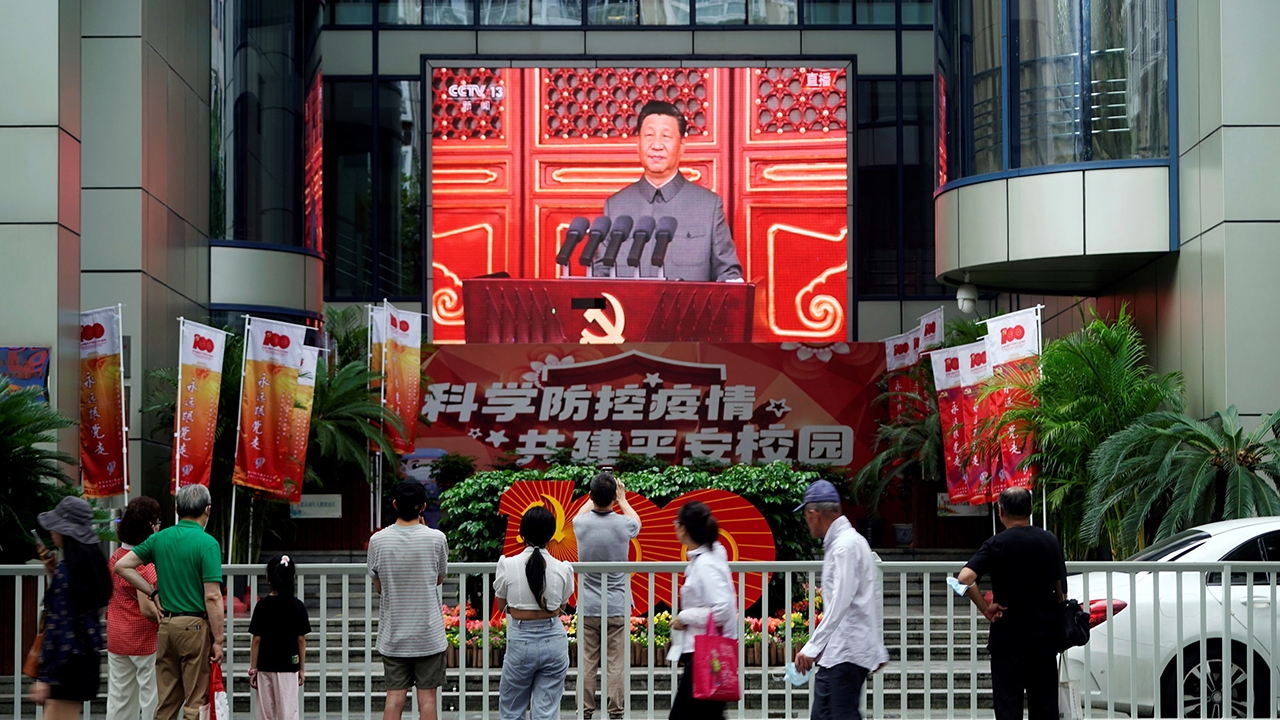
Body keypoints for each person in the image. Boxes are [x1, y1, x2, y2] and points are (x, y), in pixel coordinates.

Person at [594, 100, 743, 282]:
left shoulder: (708, 206)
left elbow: (728, 273)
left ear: (682, 146)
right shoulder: (616, 206)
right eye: (649, 135)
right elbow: (599, 275)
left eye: (666, 136)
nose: (657, 145)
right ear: (638, 143)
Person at [114, 483, 225, 720]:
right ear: (207, 509)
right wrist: (218, 639)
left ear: (176, 509)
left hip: (166, 627)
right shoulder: (207, 544)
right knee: (195, 700)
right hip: (195, 627)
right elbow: (212, 596)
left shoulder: (159, 539)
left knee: (167, 701)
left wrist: (153, 593)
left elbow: (122, 566)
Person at [956, 487, 1067, 720]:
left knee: (1008, 708)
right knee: (1045, 708)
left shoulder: (996, 544)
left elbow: (965, 578)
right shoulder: (1049, 540)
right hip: (1043, 638)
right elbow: (1060, 593)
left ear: (1001, 511)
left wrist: (985, 608)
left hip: (1007, 639)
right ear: (1031, 509)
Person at [793, 480, 888, 720]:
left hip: (845, 651)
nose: (807, 522)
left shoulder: (844, 546)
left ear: (813, 514)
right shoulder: (850, 542)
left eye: (806, 516)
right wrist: (877, 646)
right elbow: (871, 598)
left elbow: (840, 602)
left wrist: (812, 646)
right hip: (839, 652)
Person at [368, 481, 449, 720]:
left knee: (394, 699)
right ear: (423, 507)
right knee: (428, 700)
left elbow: (379, 587)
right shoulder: (437, 538)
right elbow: (438, 579)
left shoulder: (378, 540)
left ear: (395, 504)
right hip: (428, 635)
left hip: (394, 634)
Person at [29, 496, 112, 719]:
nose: (52, 532)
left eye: (55, 527)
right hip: (85, 661)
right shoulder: (90, 570)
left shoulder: (66, 573)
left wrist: (45, 676)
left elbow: (60, 626)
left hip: (64, 666)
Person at [495, 506, 576, 720]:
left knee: (512, 710)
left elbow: (502, 604)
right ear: (551, 534)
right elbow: (562, 606)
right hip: (554, 639)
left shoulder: (507, 564)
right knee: (546, 712)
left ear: (522, 533)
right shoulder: (563, 568)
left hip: (520, 639)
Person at [572, 472, 640, 720]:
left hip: (588, 605)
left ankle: (585, 712)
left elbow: (580, 513)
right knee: (615, 663)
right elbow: (636, 522)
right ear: (614, 496)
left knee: (587, 662)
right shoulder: (624, 525)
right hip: (616, 604)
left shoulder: (580, 524)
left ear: (591, 495)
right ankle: (616, 712)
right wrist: (622, 499)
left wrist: (594, 496)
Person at [668, 501, 738, 720]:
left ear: (683, 529)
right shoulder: (708, 558)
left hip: (705, 657)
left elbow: (723, 609)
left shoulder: (705, 564)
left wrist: (684, 617)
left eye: (677, 522)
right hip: (705, 655)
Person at [106, 497, 163, 720]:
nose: (159, 527)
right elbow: (148, 609)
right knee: (152, 699)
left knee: (120, 699)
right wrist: (167, 622)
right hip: (144, 639)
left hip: (117, 636)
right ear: (150, 526)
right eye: (158, 522)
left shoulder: (115, 558)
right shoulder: (142, 564)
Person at [249, 555, 312, 720]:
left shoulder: (261, 606)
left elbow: (256, 640)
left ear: (268, 578)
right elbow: (301, 640)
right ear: (292, 578)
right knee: (288, 712)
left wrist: (253, 669)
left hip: (265, 666)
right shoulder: (297, 606)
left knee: (265, 713)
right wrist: (301, 669)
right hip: (289, 666)